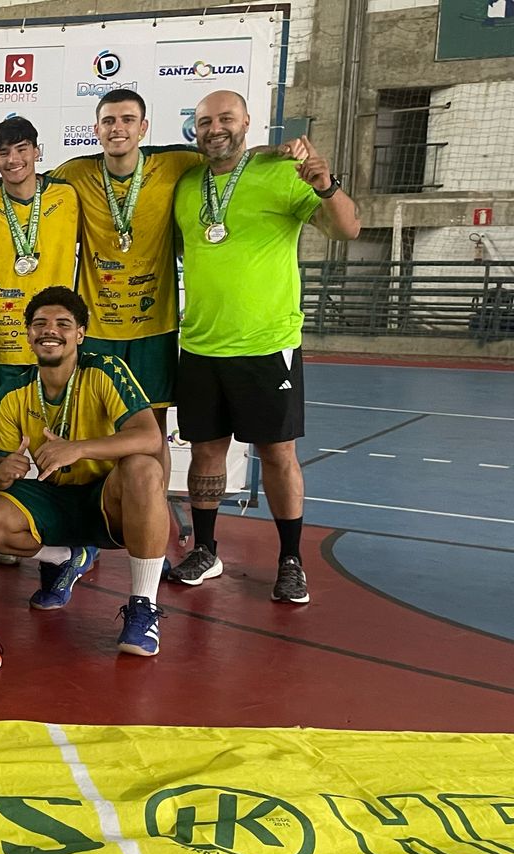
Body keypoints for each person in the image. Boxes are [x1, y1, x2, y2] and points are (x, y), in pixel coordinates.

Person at [167, 90, 359, 603]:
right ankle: (206, 549)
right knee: (206, 452)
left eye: (226, 118)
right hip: (202, 346)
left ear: (248, 121)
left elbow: (347, 228)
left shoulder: (283, 174)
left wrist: (326, 185)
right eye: (205, 120)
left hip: (268, 344)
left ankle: (291, 559)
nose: (215, 128)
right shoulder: (186, 183)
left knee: (277, 453)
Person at [0, 90, 201, 474]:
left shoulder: (176, 162)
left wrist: (275, 154)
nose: (118, 128)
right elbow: (22, 179)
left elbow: (230, 155)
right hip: (99, 325)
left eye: (127, 120)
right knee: (97, 420)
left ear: (143, 127)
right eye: (109, 121)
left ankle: (149, 508)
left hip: (153, 325)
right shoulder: (74, 175)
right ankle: (99, 504)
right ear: (96, 129)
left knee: (150, 427)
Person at [0, 288, 169, 656]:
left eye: (63, 324)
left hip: (106, 497)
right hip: (55, 496)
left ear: (80, 333)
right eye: (40, 324)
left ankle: (143, 607)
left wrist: (77, 448)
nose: (50, 331)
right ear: (28, 334)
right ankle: (64, 557)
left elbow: (150, 435)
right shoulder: (12, 391)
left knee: (143, 468)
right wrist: (4, 469)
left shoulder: (105, 370)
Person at [0, 117, 81, 433]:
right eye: (3, 153)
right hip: (3, 340)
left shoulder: (68, 194)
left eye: (22, 149)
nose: (13, 159)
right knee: (0, 438)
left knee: (64, 433)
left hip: (57, 336)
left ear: (37, 151)